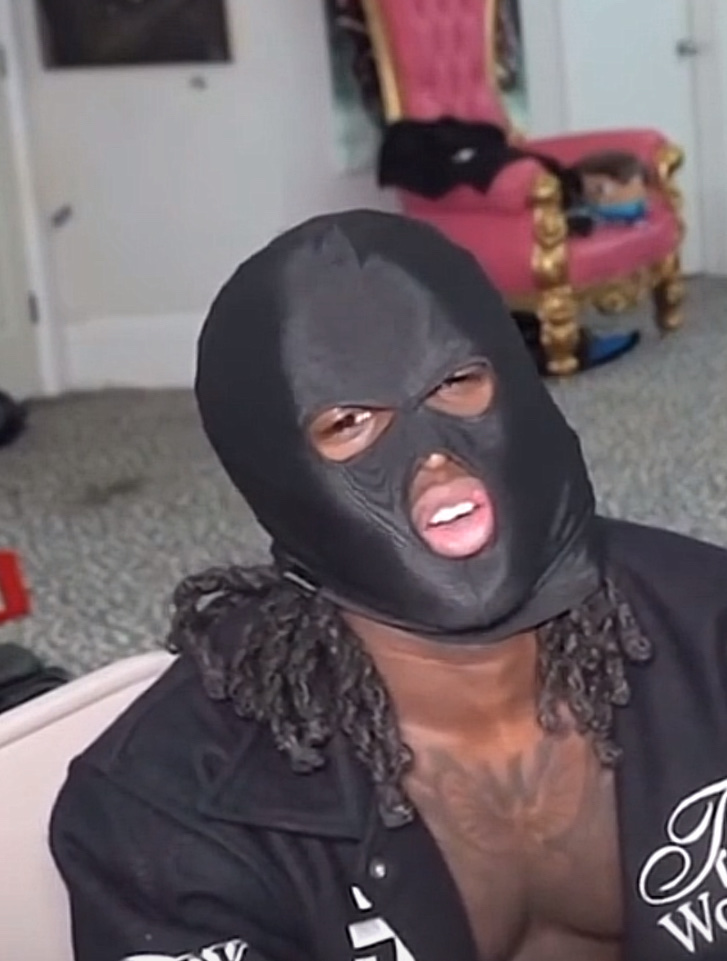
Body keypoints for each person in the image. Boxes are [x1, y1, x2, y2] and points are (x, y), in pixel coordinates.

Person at [50, 211, 727, 961]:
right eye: (349, 423)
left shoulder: (709, 627)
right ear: (279, 481)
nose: (432, 458)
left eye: (455, 383)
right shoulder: (170, 804)